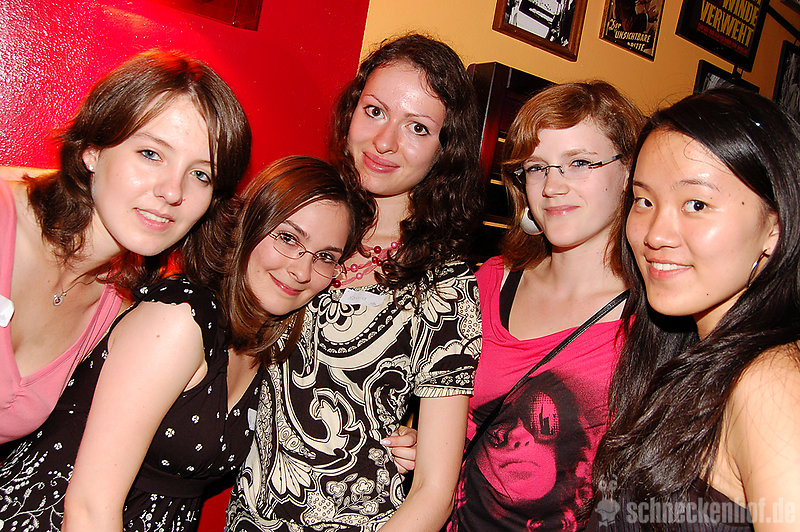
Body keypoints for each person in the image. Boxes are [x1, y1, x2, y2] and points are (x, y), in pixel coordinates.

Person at [0, 155, 366, 531]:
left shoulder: (265, 344)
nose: (301, 270)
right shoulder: (181, 319)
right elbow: (90, 507)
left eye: (325, 257)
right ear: (249, 224)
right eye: (288, 238)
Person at [226, 33, 484, 531]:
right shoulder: (299, 222)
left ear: (445, 149)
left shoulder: (444, 285)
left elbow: (434, 492)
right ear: (350, 113)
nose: (385, 142)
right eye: (375, 111)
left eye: (418, 127)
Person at [0, 49, 250, 445]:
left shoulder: (116, 304)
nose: (172, 191)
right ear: (93, 150)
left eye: (201, 175)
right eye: (151, 154)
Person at [589, 88, 800, 530]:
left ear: (774, 228)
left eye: (697, 204)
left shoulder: (772, 382)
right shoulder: (681, 349)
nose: (655, 234)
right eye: (644, 201)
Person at [447, 81, 644, 531]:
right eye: (537, 168)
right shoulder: (490, 281)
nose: (553, 186)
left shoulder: (657, 318)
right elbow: (464, 423)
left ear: (629, 173)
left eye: (579, 163)